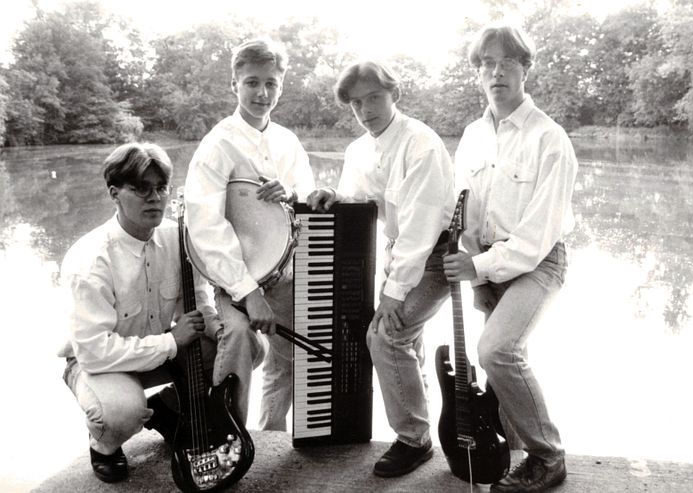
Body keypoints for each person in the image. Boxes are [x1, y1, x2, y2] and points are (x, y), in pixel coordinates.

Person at [58, 143, 263, 483]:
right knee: (123, 413)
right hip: (99, 361)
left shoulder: (178, 237)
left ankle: (170, 409)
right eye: (140, 188)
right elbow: (94, 353)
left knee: (247, 346)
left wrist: (227, 329)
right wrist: (171, 341)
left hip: (160, 349)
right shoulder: (90, 260)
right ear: (114, 193)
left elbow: (198, 304)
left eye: (161, 187)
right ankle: (104, 445)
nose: (154, 197)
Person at [443, 24, 578, 493]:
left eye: (507, 63)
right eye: (486, 64)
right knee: (503, 361)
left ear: (526, 69)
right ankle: (513, 457)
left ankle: (549, 457)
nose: (496, 72)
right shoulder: (473, 135)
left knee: (497, 351)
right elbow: (466, 212)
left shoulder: (550, 139)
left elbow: (539, 235)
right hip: (487, 261)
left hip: (540, 263)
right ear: (478, 73)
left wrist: (478, 269)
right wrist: (478, 273)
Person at [307, 60, 455, 477]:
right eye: (356, 103)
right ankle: (420, 420)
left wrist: (394, 290)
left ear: (395, 95)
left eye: (374, 98)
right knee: (405, 339)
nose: (366, 109)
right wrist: (333, 193)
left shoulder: (420, 144)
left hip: (438, 255)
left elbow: (421, 227)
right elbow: (361, 199)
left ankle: (415, 439)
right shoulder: (358, 149)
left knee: (386, 335)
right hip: (401, 255)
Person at [184, 38, 316, 432]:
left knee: (292, 359)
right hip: (230, 281)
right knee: (240, 338)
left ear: (282, 86)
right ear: (235, 85)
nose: (262, 93)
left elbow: (307, 193)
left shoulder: (288, 141)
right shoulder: (217, 144)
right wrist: (249, 291)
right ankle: (228, 435)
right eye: (252, 83)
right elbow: (205, 227)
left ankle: (271, 435)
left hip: (284, 274)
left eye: (271, 84)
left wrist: (292, 194)